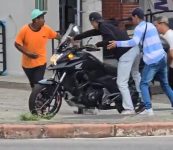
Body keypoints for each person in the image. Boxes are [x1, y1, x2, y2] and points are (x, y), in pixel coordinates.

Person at [107, 8, 173, 116]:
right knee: (165, 84)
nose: (131, 20)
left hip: (152, 60)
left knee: (143, 84)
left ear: (136, 17)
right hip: (162, 57)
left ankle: (148, 109)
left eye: (132, 18)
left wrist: (117, 43)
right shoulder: (151, 25)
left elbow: (134, 42)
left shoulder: (139, 28)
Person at [73, 12, 142, 115]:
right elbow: (90, 33)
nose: (92, 26)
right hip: (134, 50)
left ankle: (129, 108)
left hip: (126, 53)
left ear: (94, 21)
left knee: (121, 82)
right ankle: (143, 100)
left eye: (92, 23)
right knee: (136, 75)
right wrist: (76, 38)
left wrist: (97, 44)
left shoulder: (104, 26)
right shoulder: (106, 25)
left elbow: (110, 38)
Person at [15, 9, 60, 88]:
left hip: (40, 63)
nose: (44, 20)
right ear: (36, 20)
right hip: (27, 65)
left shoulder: (46, 29)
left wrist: (67, 39)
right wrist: (28, 53)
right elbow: (17, 44)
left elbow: (57, 36)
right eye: (42, 18)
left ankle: (41, 98)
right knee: (34, 85)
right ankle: (38, 98)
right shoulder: (24, 30)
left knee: (38, 84)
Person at [154, 16, 173, 89]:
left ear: (162, 24)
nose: (156, 28)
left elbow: (172, 54)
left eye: (156, 25)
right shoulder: (163, 35)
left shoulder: (170, 35)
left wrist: (167, 65)